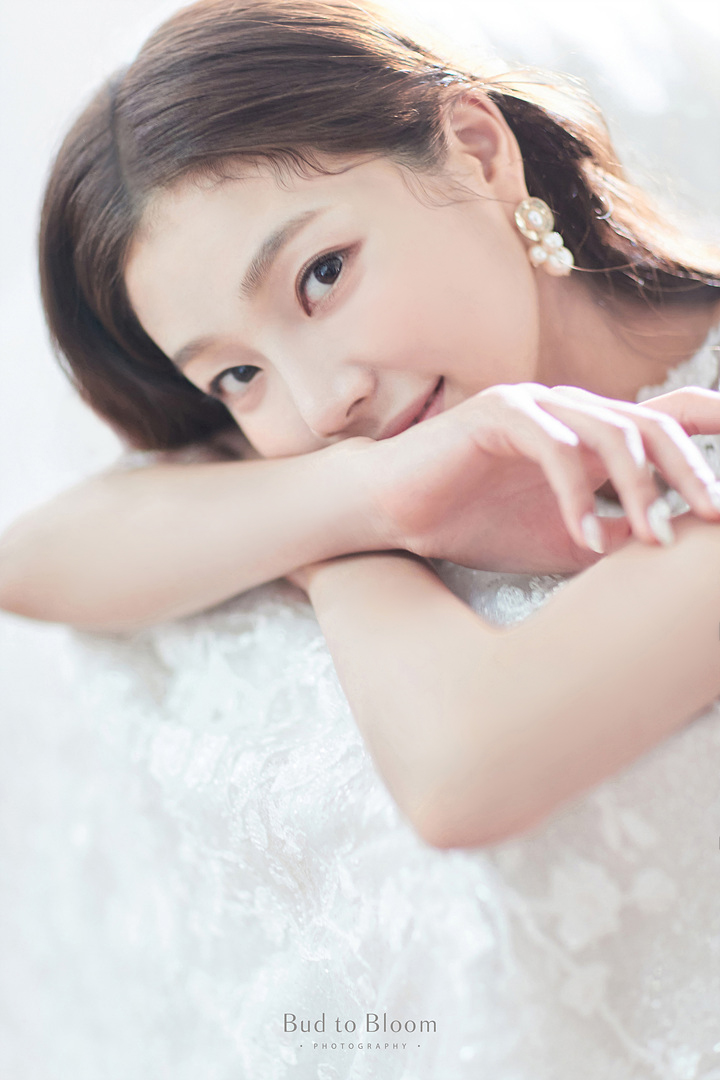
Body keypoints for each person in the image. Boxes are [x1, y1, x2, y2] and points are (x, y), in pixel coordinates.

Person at [1, 0, 719, 1074]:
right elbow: (32, 557)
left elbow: (464, 768)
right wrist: (370, 497)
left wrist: (340, 544)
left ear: (478, 151)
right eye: (235, 374)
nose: (318, 404)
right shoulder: (366, 448)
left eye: (322, 275)